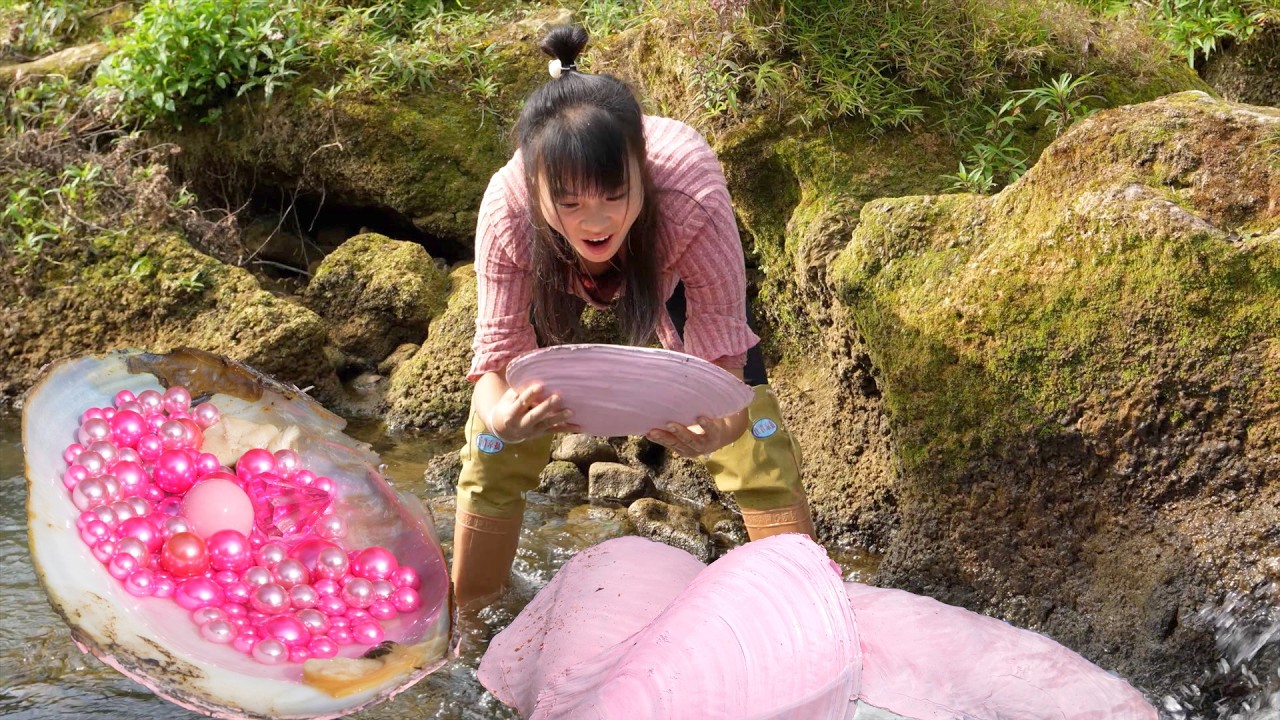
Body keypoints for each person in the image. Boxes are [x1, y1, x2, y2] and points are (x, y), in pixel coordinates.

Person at [452, 23, 816, 611]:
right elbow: (497, 353)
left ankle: (803, 607)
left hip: (661, 262)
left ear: (644, 178)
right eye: (569, 203)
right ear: (536, 190)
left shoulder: (688, 192)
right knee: (497, 436)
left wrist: (726, 423)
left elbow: (722, 330)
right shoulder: (508, 211)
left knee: (747, 430)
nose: (594, 222)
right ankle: (471, 614)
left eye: (614, 196)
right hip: (553, 273)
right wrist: (501, 421)